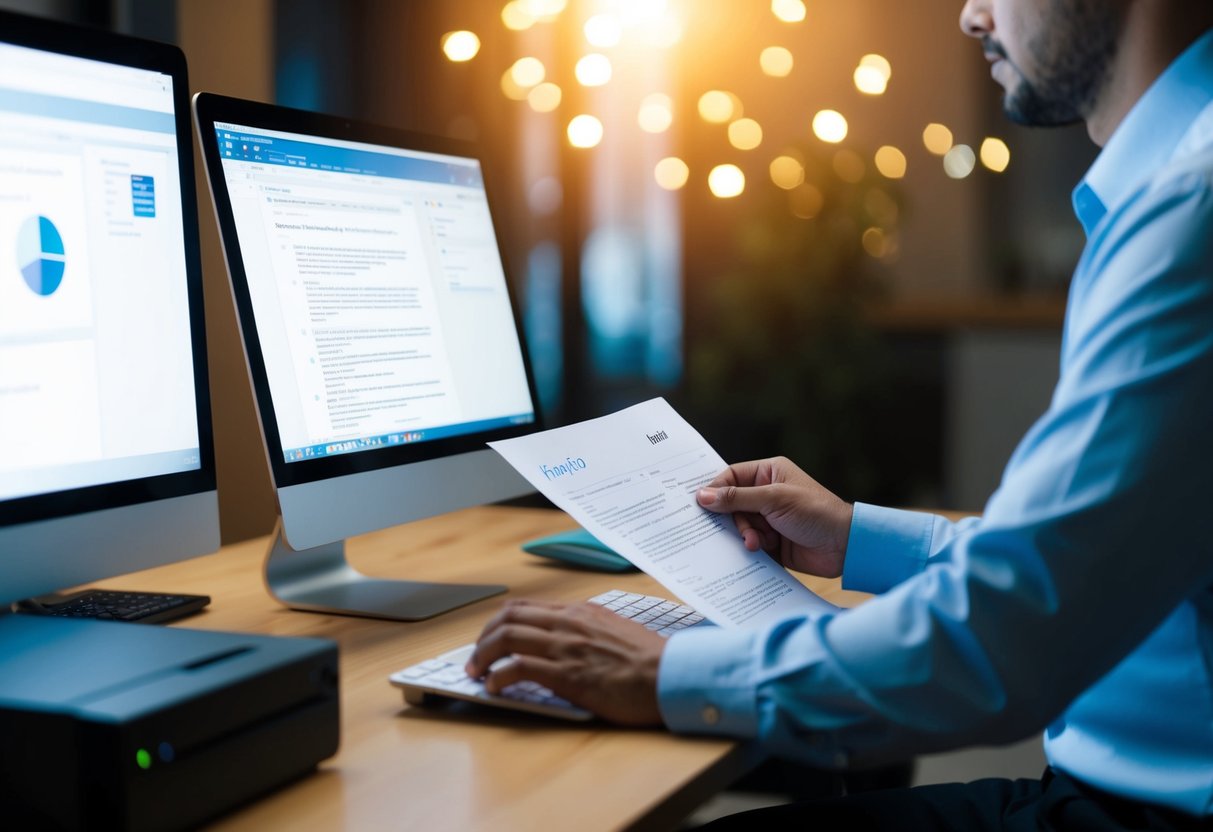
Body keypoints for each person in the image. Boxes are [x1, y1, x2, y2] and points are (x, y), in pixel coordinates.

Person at [467, 0, 1213, 827]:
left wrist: (661, 675)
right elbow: (1096, 561)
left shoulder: (1192, 210)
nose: (969, 17)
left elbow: (1009, 641)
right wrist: (855, 536)